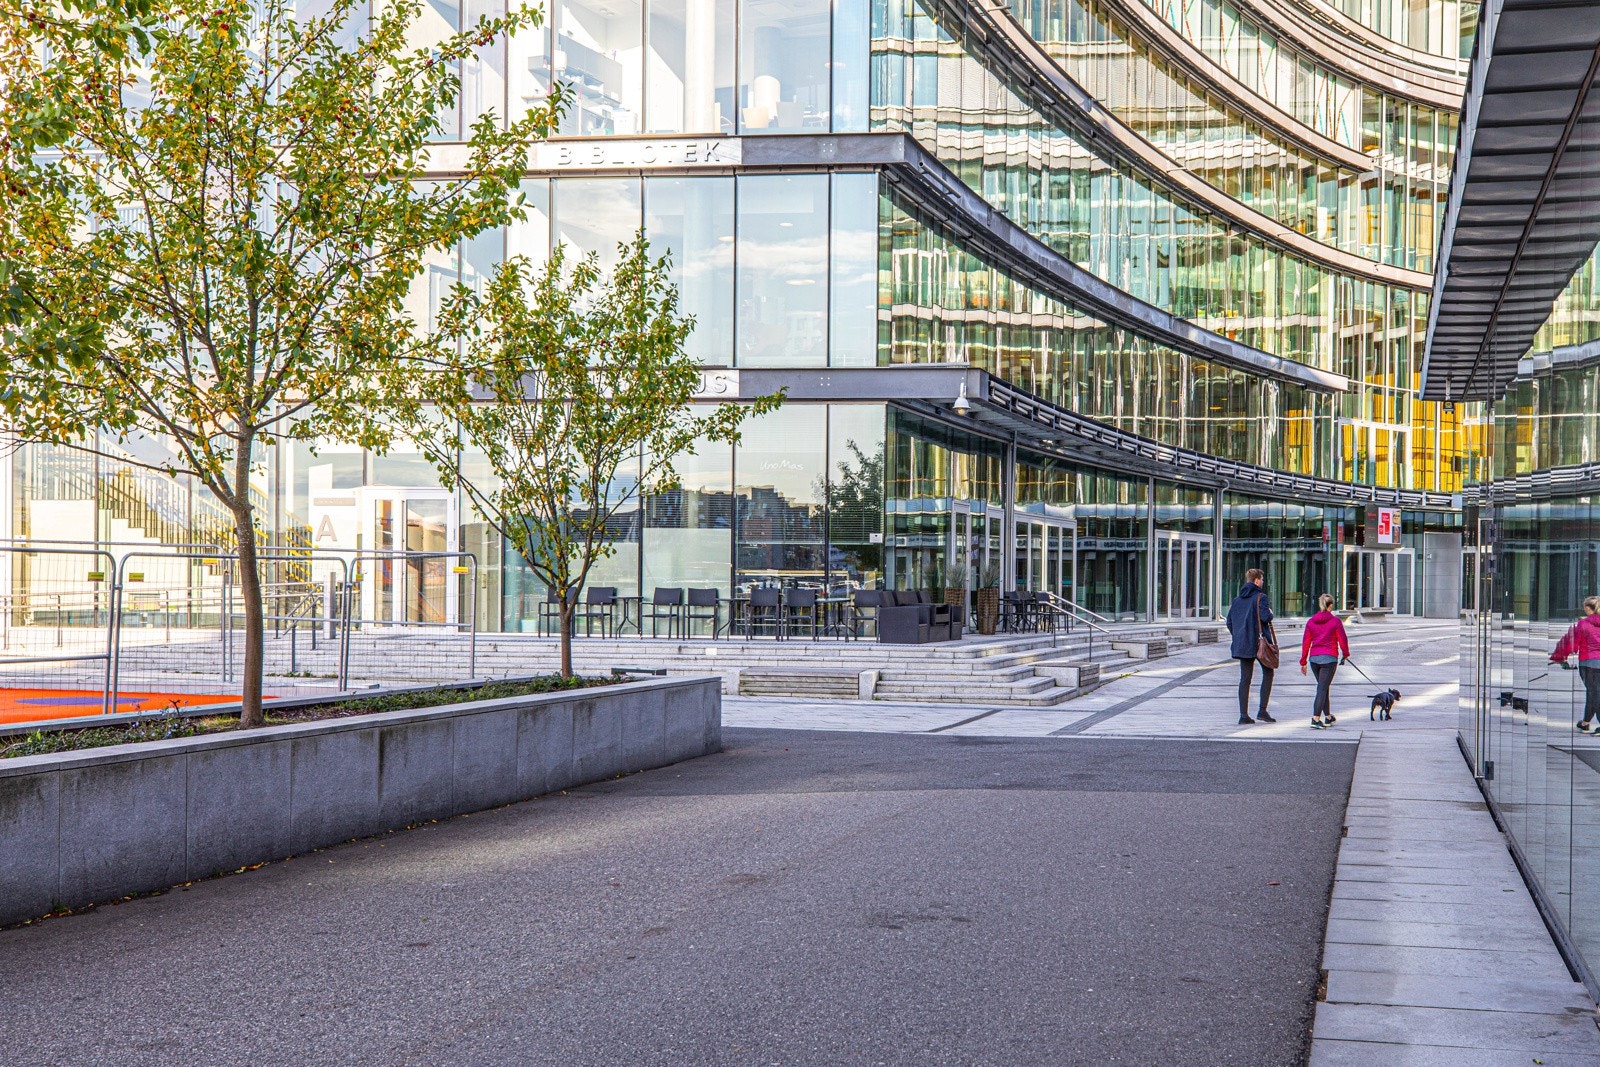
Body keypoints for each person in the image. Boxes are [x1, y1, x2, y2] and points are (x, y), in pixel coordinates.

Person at [1225, 568, 1277, 725]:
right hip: (1259, 643)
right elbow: (1266, 617)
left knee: (1245, 679)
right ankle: (1262, 710)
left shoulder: (1237, 600)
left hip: (1243, 644)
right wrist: (1270, 612)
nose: (1262, 582)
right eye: (1261, 579)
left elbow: (1229, 622)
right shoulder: (1261, 597)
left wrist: (1239, 635)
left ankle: (1243, 715)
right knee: (1268, 673)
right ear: (1256, 581)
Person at [1299, 593, 1351, 729]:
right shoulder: (1335, 621)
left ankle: (1328, 717)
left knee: (1323, 687)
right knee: (1322, 688)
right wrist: (1345, 654)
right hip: (1329, 659)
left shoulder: (1311, 622)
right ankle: (1315, 718)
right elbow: (1343, 640)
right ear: (1330, 605)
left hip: (1314, 659)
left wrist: (1303, 661)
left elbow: (1306, 643)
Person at [1550, 596, 1600, 733]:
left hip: (1589, 663)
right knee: (1594, 693)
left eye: (1585, 606)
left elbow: (1571, 643)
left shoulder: (1583, 624)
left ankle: (1590, 723)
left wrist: (1560, 657)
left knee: (1594, 693)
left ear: (1589, 608)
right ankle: (1585, 722)